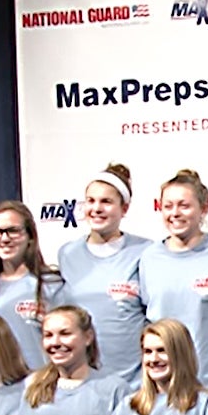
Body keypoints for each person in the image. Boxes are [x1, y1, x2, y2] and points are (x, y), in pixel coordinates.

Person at [139, 169, 208, 387]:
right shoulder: (149, 258)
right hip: (165, 383)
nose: (175, 213)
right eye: (168, 206)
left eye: (184, 205)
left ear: (204, 208)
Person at [57, 164, 152, 384]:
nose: (96, 208)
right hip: (84, 381)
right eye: (91, 201)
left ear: (124, 209)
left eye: (106, 202)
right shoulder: (67, 254)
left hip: (134, 382)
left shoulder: (145, 252)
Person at [90, 319, 208, 415]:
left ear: (180, 353)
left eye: (162, 350)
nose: (153, 359)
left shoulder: (205, 403)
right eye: (148, 352)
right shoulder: (128, 406)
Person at [0, 201, 66, 369]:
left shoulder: (50, 284)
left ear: (30, 236)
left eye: (13, 231)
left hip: (43, 385)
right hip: (2, 389)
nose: (5, 238)